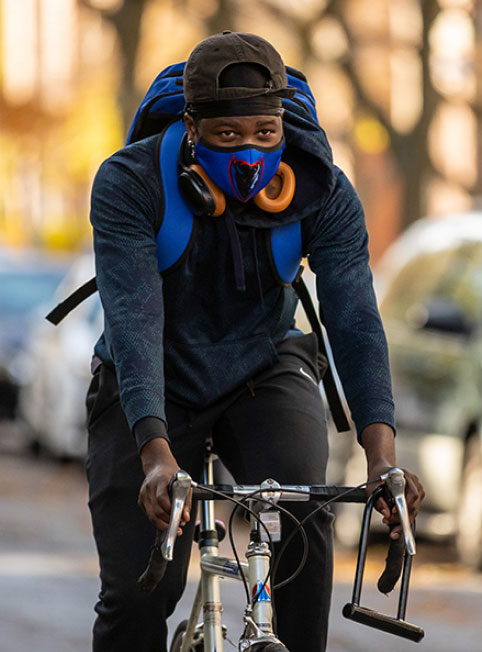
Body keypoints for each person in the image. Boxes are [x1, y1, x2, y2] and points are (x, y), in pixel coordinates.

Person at [86, 31, 424, 652]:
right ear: (191, 127)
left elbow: (353, 317)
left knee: (300, 507)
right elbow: (132, 317)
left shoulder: (322, 189)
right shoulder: (130, 183)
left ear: (283, 124)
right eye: (227, 134)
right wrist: (157, 454)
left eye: (265, 133)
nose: (250, 152)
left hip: (264, 365)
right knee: (138, 592)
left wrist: (382, 455)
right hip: (150, 378)